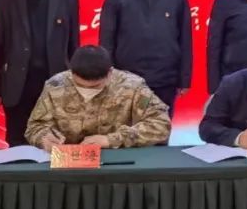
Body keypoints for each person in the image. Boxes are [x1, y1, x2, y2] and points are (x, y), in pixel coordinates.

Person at [0, 0, 80, 147]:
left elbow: (74, 45)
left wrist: (78, 84)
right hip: (18, 84)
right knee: (18, 141)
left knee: (57, 143)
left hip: (57, 83)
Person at [99, 0, 192, 117]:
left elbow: (185, 37)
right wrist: (108, 76)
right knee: (128, 130)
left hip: (165, 79)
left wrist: (184, 78)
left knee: (161, 129)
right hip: (127, 80)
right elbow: (107, 38)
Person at [24, 45, 170, 150]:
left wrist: (111, 140)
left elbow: (161, 125)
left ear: (110, 73)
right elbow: (35, 127)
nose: (87, 90)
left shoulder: (133, 86)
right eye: (80, 85)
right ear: (71, 72)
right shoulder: (55, 85)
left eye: (95, 86)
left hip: (117, 159)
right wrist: (44, 138)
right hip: (68, 161)